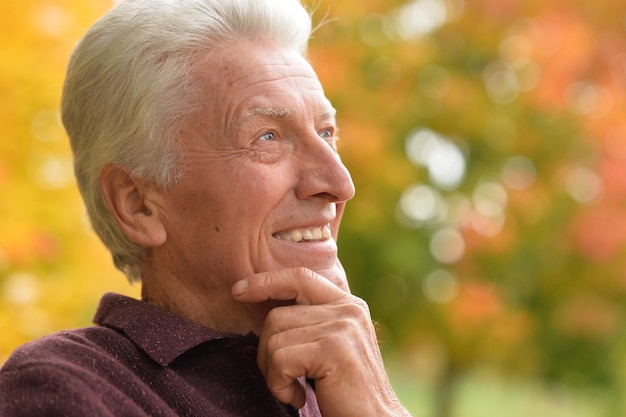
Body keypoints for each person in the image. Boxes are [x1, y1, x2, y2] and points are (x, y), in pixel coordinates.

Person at [0, 0, 411, 416]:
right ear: (139, 204)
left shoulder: (336, 375)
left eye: (326, 132)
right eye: (267, 137)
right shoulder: (63, 388)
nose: (340, 184)